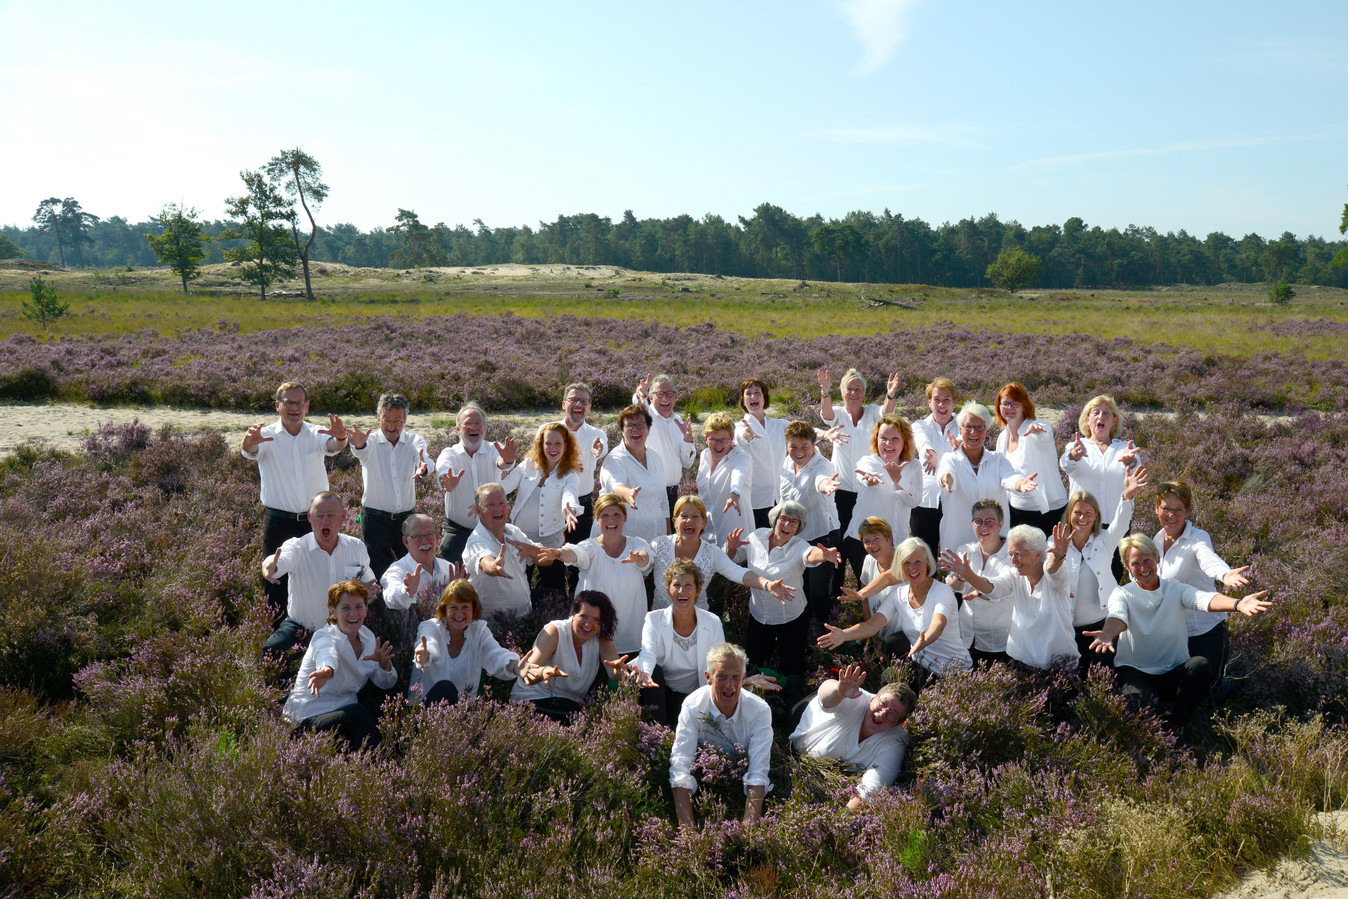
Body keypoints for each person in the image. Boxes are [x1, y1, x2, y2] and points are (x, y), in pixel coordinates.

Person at [1087, 534, 1270, 728]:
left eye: (1147, 560)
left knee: (1200, 666)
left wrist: (1238, 604)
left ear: (1157, 558)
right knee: (1141, 710)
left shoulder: (1175, 589)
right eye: (1135, 563)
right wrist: (1108, 633)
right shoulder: (1122, 594)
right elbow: (1118, 616)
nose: (1143, 568)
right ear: (1127, 567)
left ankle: (1176, 725)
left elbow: (1203, 599)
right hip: (1136, 673)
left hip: (1171, 672)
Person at [241, 381, 348, 618]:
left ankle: (321, 626)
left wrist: (341, 437)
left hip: (316, 522)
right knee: (276, 578)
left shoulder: (317, 432)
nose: (293, 407)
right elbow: (249, 450)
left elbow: (334, 445)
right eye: (287, 402)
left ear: (307, 406)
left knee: (320, 576)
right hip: (279, 521)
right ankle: (279, 638)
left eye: (299, 402)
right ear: (277, 406)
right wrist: (249, 441)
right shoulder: (266, 435)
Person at [729, 501, 841, 700]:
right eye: (784, 519)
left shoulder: (799, 546)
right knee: (756, 663)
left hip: (792, 616)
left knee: (793, 668)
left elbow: (810, 555)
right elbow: (734, 559)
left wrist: (823, 556)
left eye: (794, 522)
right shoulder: (756, 537)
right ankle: (761, 701)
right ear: (775, 519)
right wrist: (731, 547)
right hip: (760, 614)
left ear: (799, 527)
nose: (787, 525)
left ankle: (792, 707)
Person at [820, 538, 971, 681]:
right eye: (906, 563)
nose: (912, 568)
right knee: (889, 677)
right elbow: (872, 625)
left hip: (954, 673)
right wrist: (844, 634)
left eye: (917, 562)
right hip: (921, 665)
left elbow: (939, 624)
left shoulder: (942, 592)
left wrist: (926, 639)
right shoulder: (898, 595)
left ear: (927, 564)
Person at [1152, 481, 1252, 690]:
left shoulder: (1197, 538)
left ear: (1187, 511)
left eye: (1179, 509)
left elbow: (1208, 559)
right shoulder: (1156, 540)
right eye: (1166, 509)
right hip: (1174, 632)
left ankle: (1236, 685)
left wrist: (1225, 574)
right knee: (1180, 688)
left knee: (1208, 690)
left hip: (1205, 630)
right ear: (1156, 508)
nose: (1171, 515)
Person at [941, 523, 1078, 671]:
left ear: (1037, 555)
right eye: (1010, 554)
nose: (1013, 559)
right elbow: (992, 588)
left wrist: (1058, 556)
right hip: (1023, 662)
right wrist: (968, 574)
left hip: (1059, 664)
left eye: (1018, 553)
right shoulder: (1015, 575)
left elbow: (1052, 568)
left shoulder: (1056, 576)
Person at [670, 642, 774, 828]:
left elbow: (758, 771)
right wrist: (687, 832)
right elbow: (680, 767)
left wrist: (748, 832)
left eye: (736, 677)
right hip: (705, 779)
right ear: (708, 677)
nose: (730, 685)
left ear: (744, 678)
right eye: (722, 677)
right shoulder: (692, 706)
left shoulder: (759, 711)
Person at [282, 580, 396, 750]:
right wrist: (325, 671)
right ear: (332, 612)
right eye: (345, 608)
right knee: (358, 714)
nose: (353, 614)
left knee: (388, 703)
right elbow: (327, 653)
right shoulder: (324, 636)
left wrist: (384, 665)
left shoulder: (369, 638)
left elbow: (385, 683)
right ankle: (381, 770)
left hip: (343, 717)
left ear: (366, 610)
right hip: (306, 720)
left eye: (359, 606)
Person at [538, 494, 653, 657]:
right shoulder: (590, 547)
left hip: (630, 635)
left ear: (625, 518)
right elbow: (575, 552)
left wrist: (640, 558)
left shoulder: (636, 544)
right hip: (593, 635)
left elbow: (645, 557)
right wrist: (558, 553)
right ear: (597, 520)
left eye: (616, 515)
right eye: (605, 516)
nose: (611, 521)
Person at [263, 492, 376, 656]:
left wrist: (367, 592)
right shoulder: (297, 547)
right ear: (309, 516)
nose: (325, 521)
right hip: (302, 628)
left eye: (331, 515)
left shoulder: (356, 547)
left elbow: (372, 587)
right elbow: (280, 560)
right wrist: (271, 565)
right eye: (319, 515)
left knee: (368, 662)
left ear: (343, 516)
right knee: (273, 650)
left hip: (344, 628)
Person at [790, 664, 916, 809]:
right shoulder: (855, 697)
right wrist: (838, 690)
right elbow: (825, 697)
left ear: (898, 723)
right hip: (805, 719)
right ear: (874, 698)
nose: (882, 713)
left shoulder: (895, 741)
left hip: (817, 762)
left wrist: (842, 823)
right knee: (791, 701)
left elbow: (870, 789)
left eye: (892, 714)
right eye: (882, 703)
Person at [818, 367, 898, 593]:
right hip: (840, 491)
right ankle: (837, 595)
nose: (854, 393)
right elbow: (826, 416)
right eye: (849, 389)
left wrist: (890, 395)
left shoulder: (873, 412)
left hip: (867, 489)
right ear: (842, 392)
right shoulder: (838, 414)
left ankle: (868, 593)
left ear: (864, 393)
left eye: (858, 390)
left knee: (864, 541)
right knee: (839, 541)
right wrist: (825, 392)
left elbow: (886, 413)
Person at [1059, 466, 1148, 670]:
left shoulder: (1105, 540)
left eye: (1088, 513)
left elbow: (1122, 523)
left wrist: (1127, 494)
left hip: (1102, 626)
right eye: (1078, 512)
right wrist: (1058, 554)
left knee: (1103, 675)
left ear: (1096, 515)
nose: (1083, 518)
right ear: (1069, 514)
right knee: (1071, 682)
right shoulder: (1055, 543)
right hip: (1067, 629)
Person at [648, 495, 794, 611]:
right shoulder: (659, 545)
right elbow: (642, 566)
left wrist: (767, 584)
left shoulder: (712, 553)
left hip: (698, 621)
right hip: (661, 621)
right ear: (675, 522)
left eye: (695, 517)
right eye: (684, 516)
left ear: (703, 523)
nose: (689, 521)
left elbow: (739, 572)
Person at [511, 591, 634, 723]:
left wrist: (617, 670)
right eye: (583, 616)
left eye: (596, 619)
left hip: (571, 706)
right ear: (573, 614)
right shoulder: (554, 631)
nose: (588, 624)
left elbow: (615, 674)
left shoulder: (601, 637)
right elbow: (528, 674)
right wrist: (542, 672)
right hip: (534, 699)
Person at [840, 414, 920, 615]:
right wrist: (870, 479)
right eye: (883, 438)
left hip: (897, 540)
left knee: (895, 590)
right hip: (862, 540)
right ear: (877, 440)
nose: (888, 444)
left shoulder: (914, 466)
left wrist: (897, 480)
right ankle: (870, 635)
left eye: (895, 439)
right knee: (866, 590)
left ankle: (891, 635)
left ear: (905, 442)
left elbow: (914, 500)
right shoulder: (868, 461)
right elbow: (865, 477)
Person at [635, 560, 728, 726]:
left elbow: (719, 663)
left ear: (698, 590)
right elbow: (647, 652)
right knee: (653, 672)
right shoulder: (653, 619)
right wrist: (645, 673)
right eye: (676, 585)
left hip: (697, 696)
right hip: (662, 694)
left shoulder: (712, 622)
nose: (681, 591)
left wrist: (742, 679)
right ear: (669, 590)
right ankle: (657, 738)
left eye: (688, 585)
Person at [936, 403, 1038, 553]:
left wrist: (1020, 484)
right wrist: (946, 479)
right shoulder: (950, 459)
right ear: (960, 429)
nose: (973, 432)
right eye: (968, 427)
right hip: (958, 543)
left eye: (979, 427)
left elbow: (1010, 477)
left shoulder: (997, 459)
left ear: (987, 431)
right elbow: (945, 473)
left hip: (994, 545)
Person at [348, 393, 430, 579]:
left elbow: (424, 458)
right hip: (375, 521)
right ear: (378, 418)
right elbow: (361, 450)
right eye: (386, 419)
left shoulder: (414, 440)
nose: (391, 426)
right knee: (377, 572)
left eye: (398, 420)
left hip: (407, 520)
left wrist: (424, 468)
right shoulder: (370, 441)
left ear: (405, 420)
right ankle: (380, 608)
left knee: (412, 569)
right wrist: (359, 445)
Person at [501, 422, 581, 599]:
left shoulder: (570, 474)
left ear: (566, 446)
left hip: (550, 541)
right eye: (548, 443)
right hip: (519, 539)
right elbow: (503, 487)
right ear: (541, 444)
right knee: (517, 589)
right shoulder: (528, 465)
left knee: (553, 590)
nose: (553, 448)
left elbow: (570, 494)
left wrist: (570, 509)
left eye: (558, 443)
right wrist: (483, 494)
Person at [380, 513, 464, 679]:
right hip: (415, 652)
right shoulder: (398, 570)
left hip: (451, 649)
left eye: (429, 535)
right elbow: (390, 596)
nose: (425, 542)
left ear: (438, 536)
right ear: (405, 541)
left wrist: (460, 594)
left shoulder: (449, 569)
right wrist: (407, 592)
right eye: (417, 537)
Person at [410, 579, 520, 705]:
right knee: (445, 687)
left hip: (463, 716)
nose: (459, 614)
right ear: (445, 608)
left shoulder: (479, 631)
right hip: (425, 714)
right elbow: (429, 643)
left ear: (474, 608)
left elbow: (495, 654)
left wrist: (516, 667)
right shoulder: (430, 626)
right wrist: (426, 653)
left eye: (465, 607)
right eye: (454, 607)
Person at [434, 403, 518, 565]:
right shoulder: (449, 453)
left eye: (478, 423)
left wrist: (507, 459)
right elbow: (443, 468)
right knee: (457, 582)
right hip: (457, 532)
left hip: (491, 529)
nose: (473, 427)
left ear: (485, 428)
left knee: (492, 574)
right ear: (458, 429)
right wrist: (446, 482)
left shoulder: (494, 449)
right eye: (467, 424)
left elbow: (503, 462)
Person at [778, 420, 842, 621]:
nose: (798, 452)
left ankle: (830, 631)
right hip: (796, 537)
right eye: (793, 447)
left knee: (818, 592)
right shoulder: (787, 462)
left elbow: (821, 481)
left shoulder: (822, 465)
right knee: (801, 589)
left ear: (814, 445)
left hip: (823, 535)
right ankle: (805, 632)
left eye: (804, 447)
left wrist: (826, 486)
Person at [549, 382, 609, 590]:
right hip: (551, 504)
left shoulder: (596, 433)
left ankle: (577, 605)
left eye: (584, 401)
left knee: (580, 560)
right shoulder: (548, 430)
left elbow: (602, 448)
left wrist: (598, 450)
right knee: (552, 561)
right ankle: (552, 605)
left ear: (589, 407)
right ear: (564, 404)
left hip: (582, 507)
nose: (578, 404)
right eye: (574, 400)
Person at [462, 483, 544, 620]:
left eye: (502, 503)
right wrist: (495, 566)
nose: (498, 509)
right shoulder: (476, 540)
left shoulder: (514, 532)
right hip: (493, 626)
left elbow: (545, 559)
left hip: (524, 617)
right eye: (490, 505)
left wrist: (533, 550)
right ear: (478, 511)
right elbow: (485, 562)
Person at [993, 382, 1066, 536]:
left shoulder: (1034, 428)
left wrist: (1038, 429)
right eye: (1005, 404)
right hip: (1016, 509)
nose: (1009, 408)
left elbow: (1044, 432)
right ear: (999, 407)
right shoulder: (1002, 437)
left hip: (1048, 510)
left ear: (1024, 406)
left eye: (1015, 404)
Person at [946, 499, 1013, 665]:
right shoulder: (965, 550)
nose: (983, 527)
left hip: (997, 641)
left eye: (989, 522)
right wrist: (961, 577)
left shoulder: (1012, 555)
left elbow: (1000, 589)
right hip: (966, 637)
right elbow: (954, 587)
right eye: (978, 521)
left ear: (1000, 524)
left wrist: (969, 576)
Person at [1059, 394, 1141, 523]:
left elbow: (1136, 467)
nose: (1101, 417)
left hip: (1118, 523)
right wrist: (1074, 456)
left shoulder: (1124, 447)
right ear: (1087, 420)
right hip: (1083, 524)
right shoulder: (1075, 446)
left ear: (1114, 421)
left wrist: (1129, 461)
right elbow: (1066, 465)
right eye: (1096, 413)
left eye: (1106, 413)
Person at [910, 378, 960, 558]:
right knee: (924, 558)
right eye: (936, 399)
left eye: (947, 399)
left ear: (955, 402)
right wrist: (928, 452)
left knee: (953, 557)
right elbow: (921, 440)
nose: (941, 404)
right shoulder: (919, 425)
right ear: (929, 402)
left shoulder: (963, 426)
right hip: (924, 502)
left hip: (955, 502)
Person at [632, 373, 695, 514]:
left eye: (669, 394)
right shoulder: (646, 416)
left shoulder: (679, 421)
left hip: (673, 494)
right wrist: (638, 395)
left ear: (676, 397)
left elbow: (687, 463)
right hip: (650, 494)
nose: (665, 398)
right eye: (659, 394)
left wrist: (688, 441)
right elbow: (638, 407)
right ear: (651, 397)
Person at [735, 377, 787, 529]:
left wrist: (825, 435)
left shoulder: (779, 425)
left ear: (764, 399)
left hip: (779, 498)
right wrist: (746, 436)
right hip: (755, 501)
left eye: (757, 392)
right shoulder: (739, 427)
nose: (753, 397)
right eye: (748, 394)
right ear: (743, 401)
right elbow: (739, 436)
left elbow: (803, 431)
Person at [696, 412, 752, 545]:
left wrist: (734, 494)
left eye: (724, 440)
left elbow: (739, 474)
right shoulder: (704, 456)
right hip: (707, 537)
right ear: (705, 439)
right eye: (713, 439)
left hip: (734, 537)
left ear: (732, 438)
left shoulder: (742, 457)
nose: (718, 445)